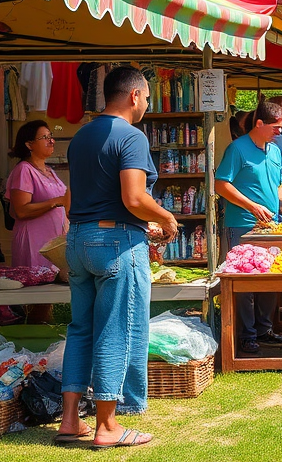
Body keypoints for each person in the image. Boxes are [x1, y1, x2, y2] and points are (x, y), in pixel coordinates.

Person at [58, 66, 178, 449]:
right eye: (146, 97)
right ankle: (108, 426)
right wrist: (165, 217)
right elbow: (134, 198)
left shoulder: (81, 136)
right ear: (133, 96)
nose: (146, 103)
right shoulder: (131, 136)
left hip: (78, 238)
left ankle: (69, 420)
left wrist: (138, 222)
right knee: (117, 328)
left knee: (80, 329)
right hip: (115, 242)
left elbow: (73, 199)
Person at [214, 100, 282, 355]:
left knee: (269, 278)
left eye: (281, 127)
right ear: (259, 124)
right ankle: (245, 334)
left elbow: (278, 187)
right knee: (245, 282)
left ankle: (264, 329)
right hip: (242, 226)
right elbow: (221, 185)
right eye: (275, 127)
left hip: (271, 227)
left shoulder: (274, 151)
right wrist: (251, 206)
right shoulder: (237, 149)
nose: (280, 132)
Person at [4, 120, 69, 269]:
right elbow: (20, 211)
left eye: (51, 136)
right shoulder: (24, 170)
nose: (51, 141)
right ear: (29, 145)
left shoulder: (49, 171)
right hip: (34, 243)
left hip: (53, 246)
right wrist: (55, 201)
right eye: (45, 138)